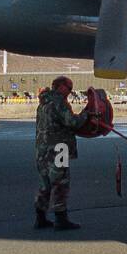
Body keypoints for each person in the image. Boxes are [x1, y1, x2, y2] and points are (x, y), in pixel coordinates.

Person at [34, 76, 90, 230]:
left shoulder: (43, 102)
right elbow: (72, 122)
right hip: (59, 149)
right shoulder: (59, 101)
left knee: (44, 184)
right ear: (61, 87)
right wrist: (87, 112)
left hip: (41, 150)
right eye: (69, 88)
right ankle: (61, 219)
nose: (70, 92)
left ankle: (40, 217)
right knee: (60, 183)